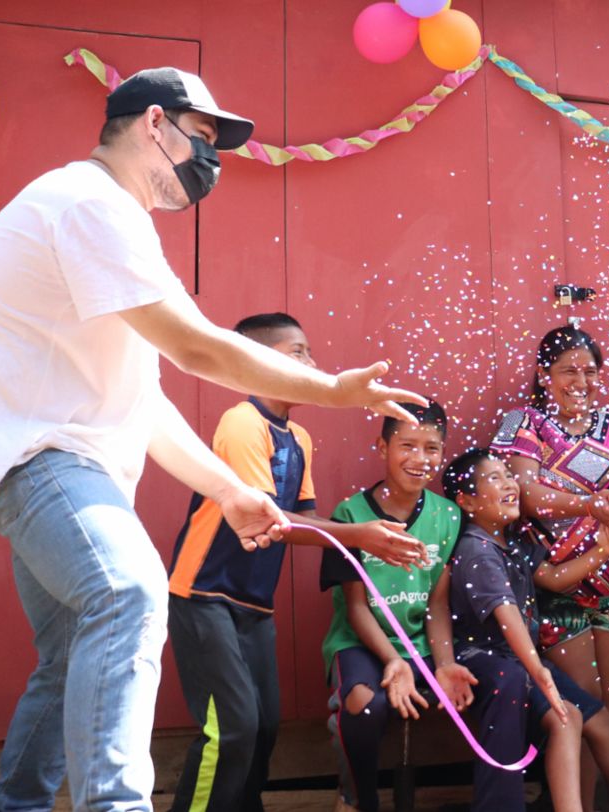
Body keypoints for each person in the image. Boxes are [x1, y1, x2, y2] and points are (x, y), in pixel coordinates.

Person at [0, 67, 424, 812]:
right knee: (129, 592)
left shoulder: (109, 222)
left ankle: (21, 805)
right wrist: (331, 389)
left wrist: (231, 491)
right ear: (154, 124)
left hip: (47, 462)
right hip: (41, 459)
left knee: (75, 646)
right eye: (203, 139)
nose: (211, 161)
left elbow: (145, 400)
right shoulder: (89, 206)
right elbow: (197, 348)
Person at [163, 313, 427, 811]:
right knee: (232, 729)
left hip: (253, 605)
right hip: (204, 596)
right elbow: (271, 519)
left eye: (310, 352)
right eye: (296, 354)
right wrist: (359, 535)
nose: (311, 363)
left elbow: (303, 519)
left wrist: (362, 539)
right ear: (254, 362)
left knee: (263, 727)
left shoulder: (299, 437)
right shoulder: (243, 422)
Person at [491, 325, 609, 808]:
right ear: (545, 375)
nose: (580, 380)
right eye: (568, 370)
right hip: (555, 582)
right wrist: (591, 504)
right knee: (584, 704)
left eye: (590, 370)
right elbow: (527, 493)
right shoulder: (523, 424)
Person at [443, 449, 609, 812]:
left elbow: (554, 578)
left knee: (596, 719)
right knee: (569, 716)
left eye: (508, 474)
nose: (509, 483)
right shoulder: (477, 551)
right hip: (494, 664)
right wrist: (540, 672)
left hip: (522, 662)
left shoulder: (510, 541)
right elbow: (509, 617)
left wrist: (602, 550)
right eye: (494, 478)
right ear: (467, 501)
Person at [320, 400, 472, 812]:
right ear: (382, 447)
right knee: (366, 706)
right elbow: (355, 608)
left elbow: (437, 605)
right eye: (407, 445)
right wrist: (393, 661)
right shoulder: (350, 514)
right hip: (361, 641)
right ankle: (357, 799)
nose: (420, 459)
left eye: (432, 448)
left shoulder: (449, 516)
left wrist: (442, 663)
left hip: (420, 641)